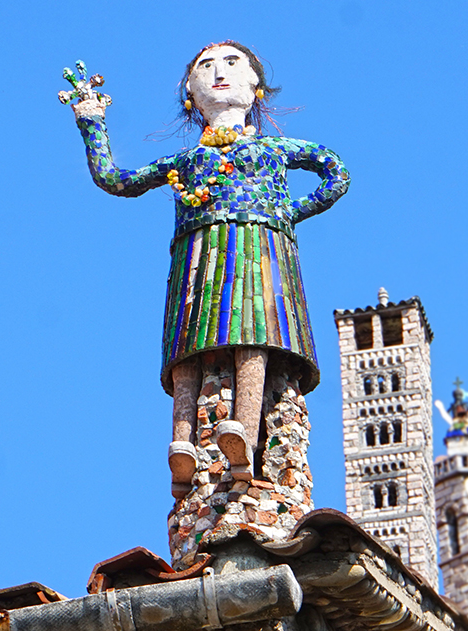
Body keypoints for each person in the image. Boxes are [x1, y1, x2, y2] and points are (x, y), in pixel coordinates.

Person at [66, 41, 349, 497]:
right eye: (206, 66)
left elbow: (336, 172)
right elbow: (115, 179)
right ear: (190, 92)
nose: (219, 72)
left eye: (232, 63)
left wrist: (287, 214)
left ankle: (244, 431)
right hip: (198, 250)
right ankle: (182, 443)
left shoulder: (272, 150)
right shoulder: (186, 161)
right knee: (190, 344)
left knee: (256, 332)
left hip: (260, 246)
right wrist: (91, 122)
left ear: (256, 84)